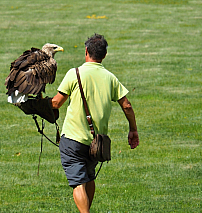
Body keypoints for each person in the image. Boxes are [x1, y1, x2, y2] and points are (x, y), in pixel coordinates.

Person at [51, 34, 139, 213]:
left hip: (72, 141)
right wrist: (133, 130)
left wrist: (36, 104)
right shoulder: (110, 78)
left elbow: (56, 103)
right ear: (104, 55)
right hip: (95, 143)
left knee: (78, 183)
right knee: (89, 178)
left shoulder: (74, 73)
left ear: (86, 52)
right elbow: (127, 106)